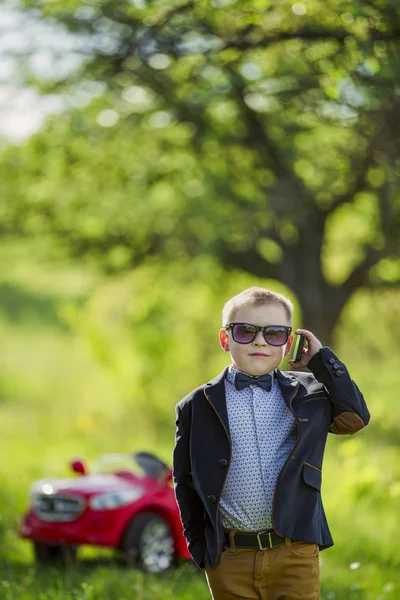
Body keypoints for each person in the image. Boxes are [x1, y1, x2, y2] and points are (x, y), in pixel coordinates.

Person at [173, 286, 370, 600]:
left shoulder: (310, 394)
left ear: (288, 342)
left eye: (274, 333)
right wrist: (201, 546)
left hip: (295, 553)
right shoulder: (197, 404)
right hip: (230, 558)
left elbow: (355, 417)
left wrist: (321, 361)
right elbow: (184, 481)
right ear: (226, 339)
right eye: (245, 331)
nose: (260, 341)